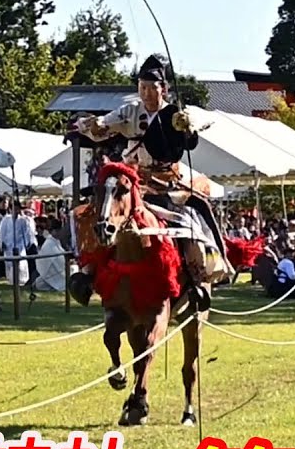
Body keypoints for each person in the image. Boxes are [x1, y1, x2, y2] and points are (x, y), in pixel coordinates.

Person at [66, 54, 230, 307]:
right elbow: (103, 126)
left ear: (163, 89)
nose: (146, 93)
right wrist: (89, 124)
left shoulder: (176, 114)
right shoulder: (129, 112)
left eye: (151, 88)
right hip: (133, 180)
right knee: (98, 213)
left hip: (167, 181)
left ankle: (199, 275)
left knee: (195, 213)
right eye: (142, 88)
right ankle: (87, 272)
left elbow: (191, 140)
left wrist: (188, 128)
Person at [34, 220, 68, 292]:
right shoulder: (49, 243)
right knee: (40, 284)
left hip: (59, 271)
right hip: (49, 272)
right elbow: (57, 259)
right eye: (58, 231)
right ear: (53, 231)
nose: (60, 233)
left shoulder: (56, 241)